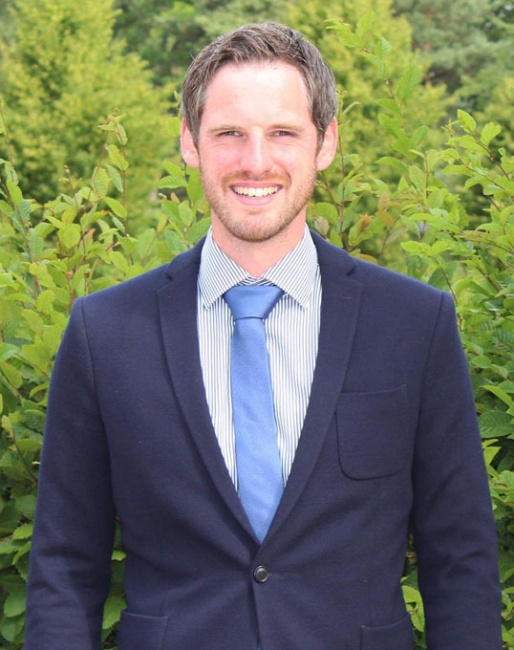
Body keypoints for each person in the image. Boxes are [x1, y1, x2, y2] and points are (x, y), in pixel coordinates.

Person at [25, 22, 501, 650]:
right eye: (229, 133)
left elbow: (461, 557)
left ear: (325, 143)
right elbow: (64, 564)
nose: (255, 160)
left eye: (282, 132)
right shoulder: (104, 333)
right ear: (190, 142)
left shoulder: (414, 323)